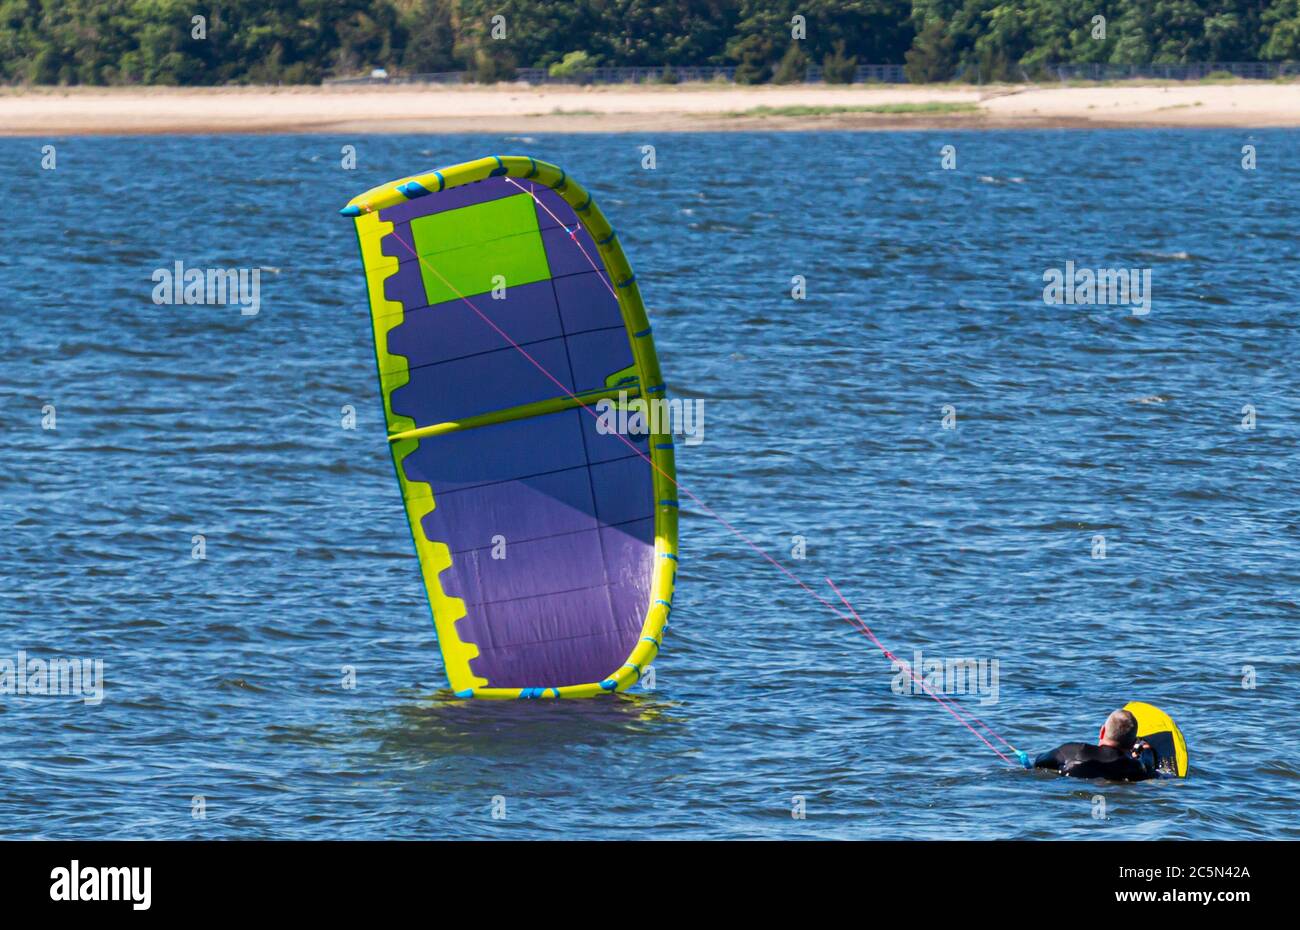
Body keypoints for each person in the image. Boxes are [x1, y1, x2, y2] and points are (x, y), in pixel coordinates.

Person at [1029, 708, 1157, 781]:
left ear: (1102, 732)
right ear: (1131, 744)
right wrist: (1146, 750)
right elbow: (1150, 769)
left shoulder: (1072, 750)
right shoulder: (1134, 768)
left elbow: (1039, 762)